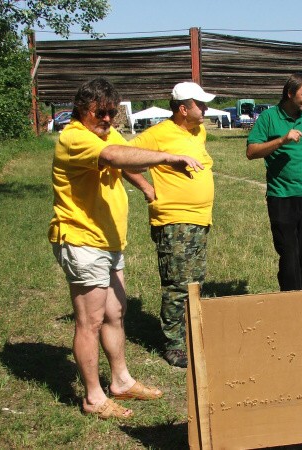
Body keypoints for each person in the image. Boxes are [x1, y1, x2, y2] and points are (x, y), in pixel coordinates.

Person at [49, 78, 204, 418]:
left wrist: (145, 185)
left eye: (112, 114)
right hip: (82, 239)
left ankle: (120, 381)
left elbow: (126, 159)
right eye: (100, 113)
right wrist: (168, 156)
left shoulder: (104, 133)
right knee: (89, 321)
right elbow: (114, 155)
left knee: (115, 313)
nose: (107, 120)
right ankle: (93, 398)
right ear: (82, 110)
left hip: (109, 239)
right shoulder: (75, 137)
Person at [125, 82, 216, 368]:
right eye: (199, 105)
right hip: (175, 221)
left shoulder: (197, 131)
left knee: (195, 281)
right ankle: (174, 344)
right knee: (178, 284)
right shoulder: (159, 134)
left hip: (199, 220)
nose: (205, 109)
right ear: (182, 108)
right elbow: (121, 157)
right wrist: (145, 187)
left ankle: (190, 334)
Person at [246, 73, 302, 291]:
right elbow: (251, 151)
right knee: (289, 256)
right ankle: (289, 303)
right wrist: (282, 140)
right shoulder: (269, 118)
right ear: (290, 93)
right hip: (281, 198)